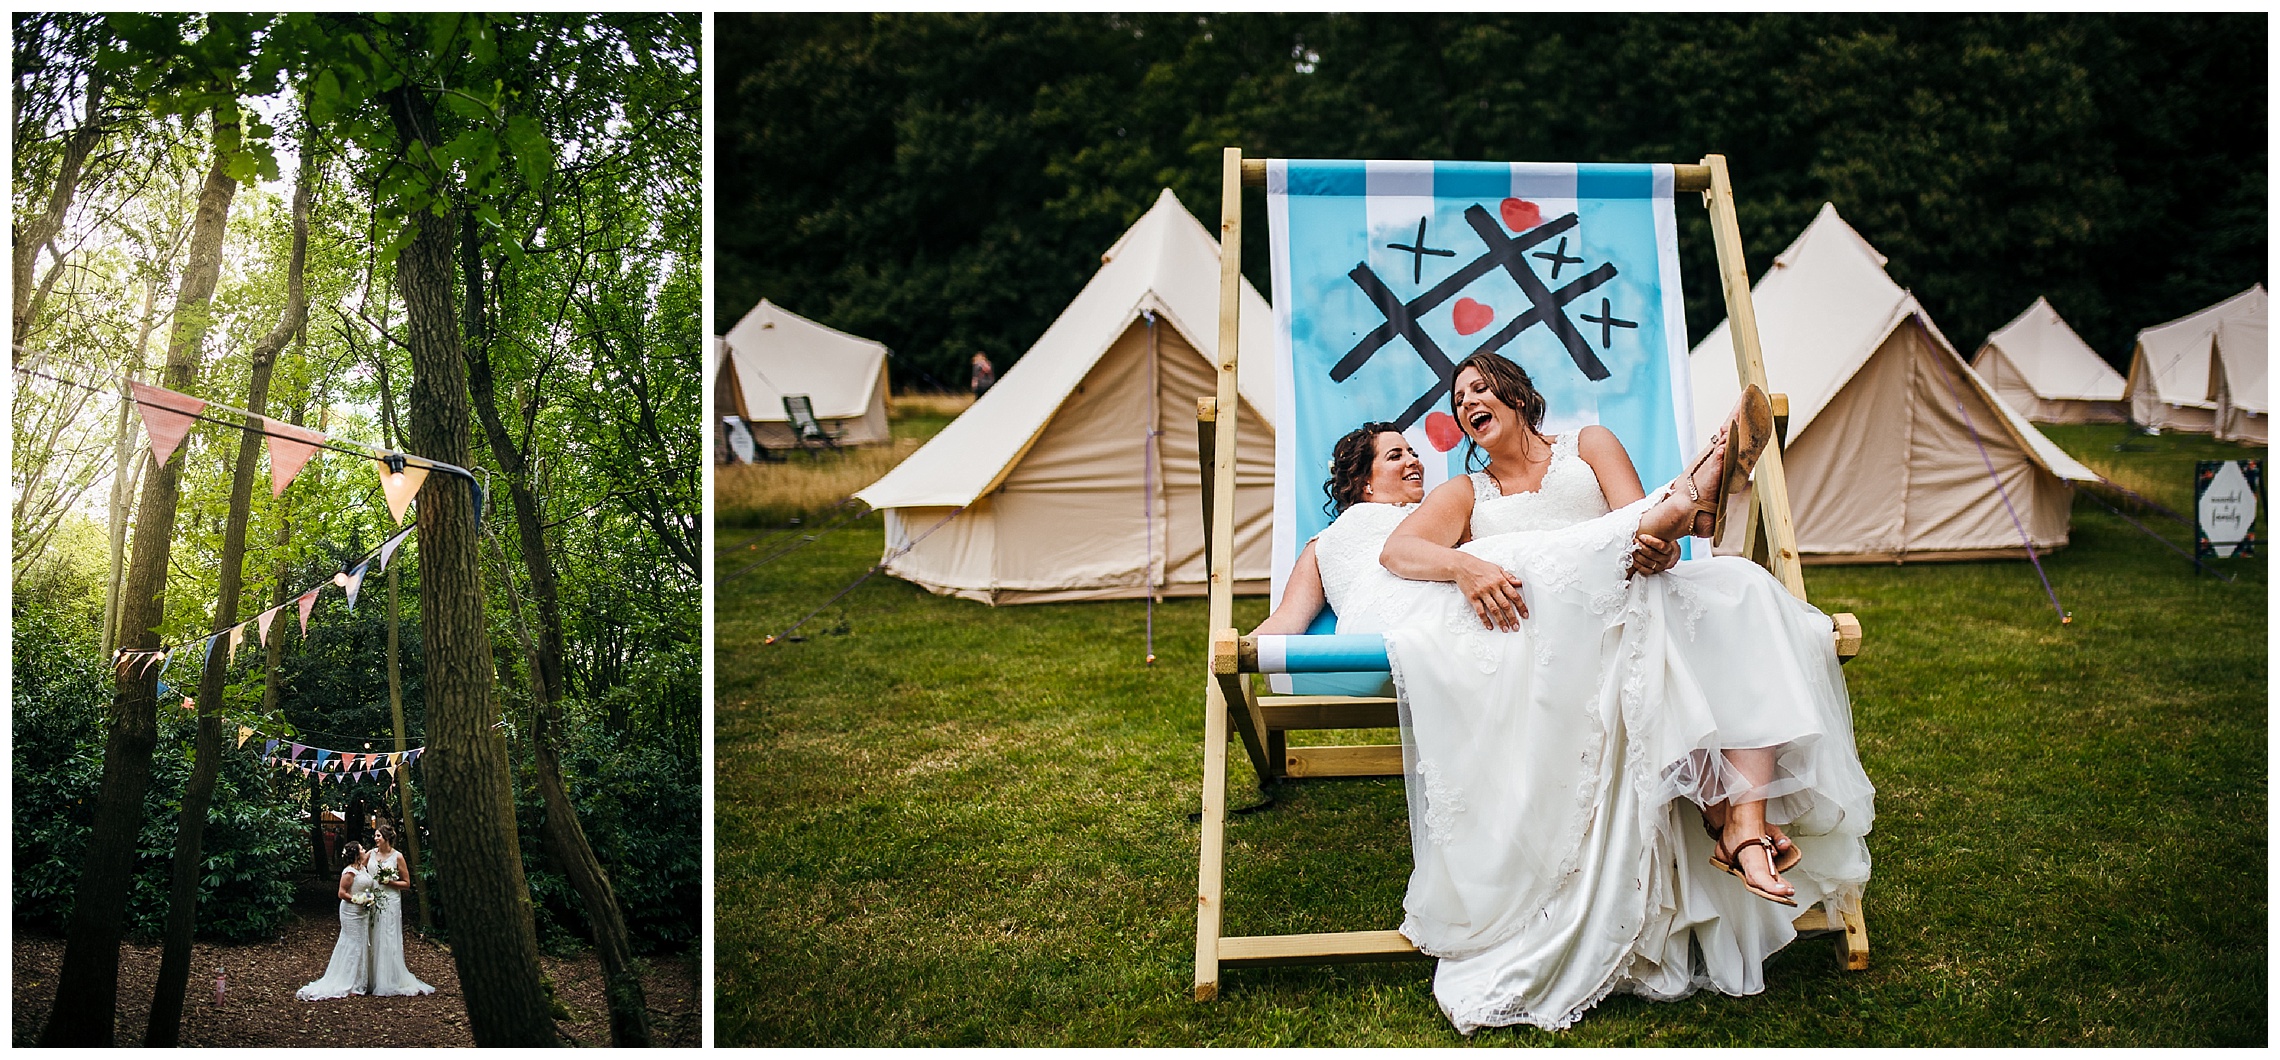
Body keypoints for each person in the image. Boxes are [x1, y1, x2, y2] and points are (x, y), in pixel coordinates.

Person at [1264, 351, 1874, 1033]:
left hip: (1633, 607)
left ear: (1515, 394)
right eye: (1458, 399)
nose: (1466, 404)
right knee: (1539, 561)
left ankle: (1745, 823)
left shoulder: (1588, 444)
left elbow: (1644, 536)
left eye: (1477, 389)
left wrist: (1659, 548)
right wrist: (1466, 566)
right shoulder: (1466, 496)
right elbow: (1399, 555)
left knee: (1748, 590)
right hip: (1557, 634)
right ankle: (1697, 490)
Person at [296, 842, 373, 1001]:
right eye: (362, 849)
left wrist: (368, 899)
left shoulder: (363, 869)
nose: (365, 850)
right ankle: (348, 981)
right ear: (357, 854)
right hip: (350, 912)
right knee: (352, 943)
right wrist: (357, 899)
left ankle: (359, 981)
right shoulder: (349, 872)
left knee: (362, 943)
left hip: (363, 911)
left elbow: (366, 887)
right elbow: (341, 893)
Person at [365, 823, 434, 997]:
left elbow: (407, 883)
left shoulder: (398, 857)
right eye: (375, 836)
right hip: (372, 899)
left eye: (378, 836)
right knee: (372, 935)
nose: (375, 839)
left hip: (390, 900)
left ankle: (387, 979)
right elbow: (359, 869)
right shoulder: (370, 854)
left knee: (387, 936)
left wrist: (390, 882)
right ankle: (370, 978)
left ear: (387, 838)